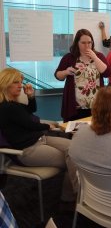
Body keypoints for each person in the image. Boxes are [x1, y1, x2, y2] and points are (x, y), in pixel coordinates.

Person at [0, 68, 77, 202]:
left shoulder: (13, 104)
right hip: (28, 150)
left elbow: (30, 111)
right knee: (73, 159)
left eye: (20, 82)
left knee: (76, 148)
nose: (20, 85)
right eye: (16, 82)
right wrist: (48, 126)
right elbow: (30, 124)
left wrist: (30, 97)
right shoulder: (6, 107)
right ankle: (71, 198)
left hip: (40, 139)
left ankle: (74, 193)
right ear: (5, 85)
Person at [55, 29, 110, 122]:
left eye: (89, 42)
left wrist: (95, 58)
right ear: (77, 43)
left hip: (96, 106)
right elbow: (57, 75)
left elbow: (107, 73)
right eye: (83, 43)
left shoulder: (99, 56)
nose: (87, 46)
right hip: (75, 107)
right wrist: (65, 72)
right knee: (74, 133)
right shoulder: (69, 57)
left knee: (96, 133)